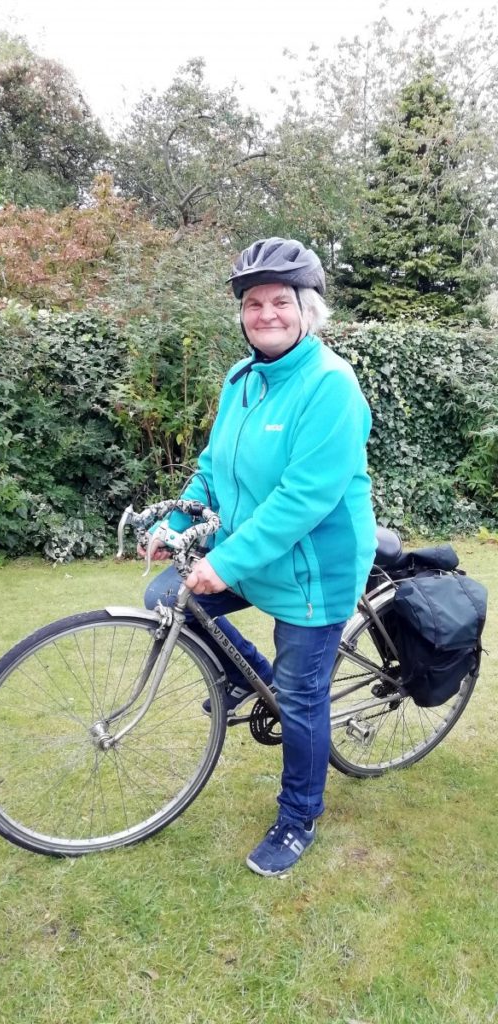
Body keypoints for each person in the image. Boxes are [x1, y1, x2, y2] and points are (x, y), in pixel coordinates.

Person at [142, 238, 376, 877]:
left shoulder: (331, 385)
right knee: (165, 596)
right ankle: (251, 679)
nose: (266, 313)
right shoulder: (240, 379)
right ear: (242, 313)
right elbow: (213, 468)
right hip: (251, 553)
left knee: (301, 698)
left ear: (306, 310)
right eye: (253, 303)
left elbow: (303, 498)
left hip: (314, 568)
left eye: (280, 301)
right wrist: (176, 520)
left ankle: (299, 817)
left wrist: (225, 562)